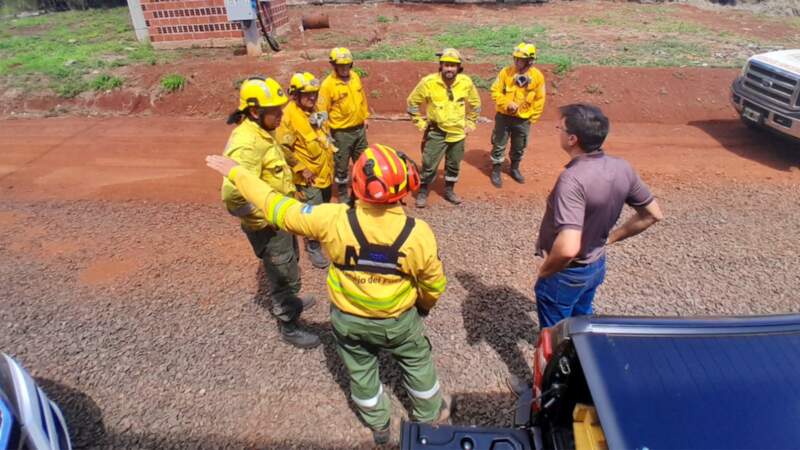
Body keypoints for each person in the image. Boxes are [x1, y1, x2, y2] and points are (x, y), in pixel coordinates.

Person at [206, 144, 450, 445]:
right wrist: (423, 306)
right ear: (404, 187)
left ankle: (379, 425)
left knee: (361, 371)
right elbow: (433, 283)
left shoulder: (332, 218)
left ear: (357, 183)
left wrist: (238, 174)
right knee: (417, 362)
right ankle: (429, 418)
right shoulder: (418, 233)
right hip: (398, 322)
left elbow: (278, 208)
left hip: (348, 320)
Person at [534, 103, 663, 328]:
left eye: (560, 128)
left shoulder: (572, 180)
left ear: (572, 139)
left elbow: (568, 248)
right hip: (595, 265)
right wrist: (609, 239)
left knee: (556, 336)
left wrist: (545, 272)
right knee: (583, 324)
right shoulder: (622, 167)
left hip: (567, 274)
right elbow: (653, 214)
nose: (558, 132)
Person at [221, 77, 320, 349]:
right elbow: (232, 196)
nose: (281, 115)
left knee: (290, 261)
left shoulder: (264, 130)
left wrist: (297, 169)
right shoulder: (247, 144)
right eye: (275, 110)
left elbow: (279, 157)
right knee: (282, 271)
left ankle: (292, 301)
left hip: (280, 217)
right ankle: (289, 324)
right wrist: (266, 218)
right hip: (269, 225)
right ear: (255, 111)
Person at [407, 47, 481, 208]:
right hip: (436, 133)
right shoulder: (428, 82)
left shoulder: (466, 82)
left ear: (458, 67)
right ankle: (423, 191)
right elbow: (412, 103)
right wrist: (420, 124)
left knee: (454, 164)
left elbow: (475, 104)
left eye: (453, 65)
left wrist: (470, 124)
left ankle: (449, 190)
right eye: (446, 65)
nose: (449, 68)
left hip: (458, 133)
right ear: (441, 65)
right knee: (429, 164)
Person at [277, 71, 335, 269]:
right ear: (295, 95)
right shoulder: (288, 116)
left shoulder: (314, 109)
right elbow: (283, 147)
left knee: (324, 207)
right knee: (312, 213)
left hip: (325, 172)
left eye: (314, 93)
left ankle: (323, 236)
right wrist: (301, 168)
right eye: (307, 94)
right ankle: (313, 247)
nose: (312, 97)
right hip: (308, 178)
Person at [489, 42, 546, 188]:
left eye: (520, 59)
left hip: (523, 119)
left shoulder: (537, 76)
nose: (516, 61)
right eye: (515, 58)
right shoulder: (506, 72)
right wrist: (507, 103)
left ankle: (514, 168)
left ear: (530, 61)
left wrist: (532, 118)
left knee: (519, 146)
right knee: (498, 143)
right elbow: (495, 91)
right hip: (504, 117)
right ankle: (496, 170)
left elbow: (540, 99)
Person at [317, 47, 370, 203]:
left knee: (363, 161)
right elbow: (322, 111)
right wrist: (325, 134)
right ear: (334, 65)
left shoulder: (355, 77)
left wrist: (365, 116)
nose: (344, 68)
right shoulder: (327, 85)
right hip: (341, 133)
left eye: (347, 65)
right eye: (341, 65)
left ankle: (361, 190)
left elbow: (362, 98)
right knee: (341, 165)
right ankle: (342, 194)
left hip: (359, 130)